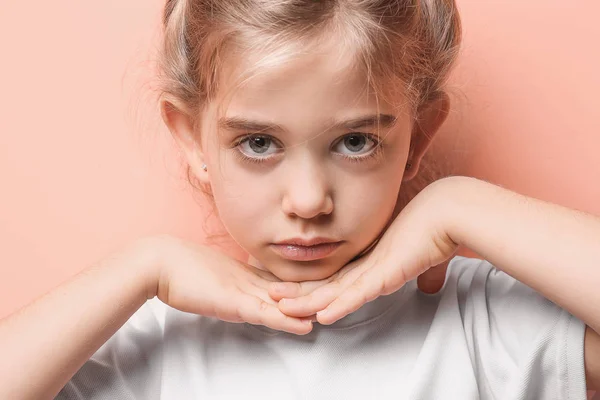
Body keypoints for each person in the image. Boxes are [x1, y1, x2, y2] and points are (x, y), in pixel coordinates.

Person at [0, 0, 598, 398]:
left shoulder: (481, 324)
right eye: (259, 143)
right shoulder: (151, 341)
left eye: (356, 141)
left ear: (417, 136)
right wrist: (140, 268)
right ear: (192, 139)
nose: (309, 201)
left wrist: (461, 205)